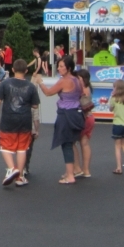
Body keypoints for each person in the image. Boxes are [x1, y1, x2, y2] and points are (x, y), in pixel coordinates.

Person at [0, 59, 41, 187]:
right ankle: (20, 177)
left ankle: (12, 168)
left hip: (9, 118)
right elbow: (35, 105)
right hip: (25, 119)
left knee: (5, 145)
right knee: (22, 148)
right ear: (26, 71)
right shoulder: (30, 86)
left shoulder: (6, 83)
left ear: (13, 69)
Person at [36, 57, 85, 185]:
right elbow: (82, 94)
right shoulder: (78, 79)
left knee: (66, 144)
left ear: (69, 68)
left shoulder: (64, 81)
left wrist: (40, 82)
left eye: (62, 66)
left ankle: (70, 175)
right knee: (71, 142)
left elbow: (48, 92)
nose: (59, 68)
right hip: (76, 113)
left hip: (66, 114)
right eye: (59, 66)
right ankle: (74, 170)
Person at [76, 68, 95, 178]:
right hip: (90, 117)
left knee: (75, 143)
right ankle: (86, 170)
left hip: (84, 118)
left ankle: (77, 168)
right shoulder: (89, 88)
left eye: (78, 78)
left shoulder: (82, 89)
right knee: (85, 143)